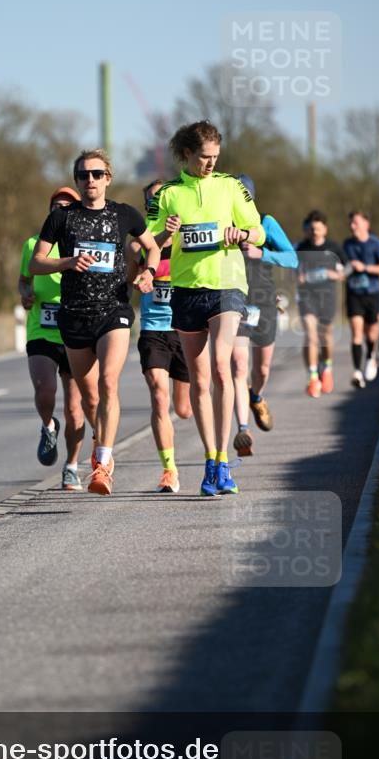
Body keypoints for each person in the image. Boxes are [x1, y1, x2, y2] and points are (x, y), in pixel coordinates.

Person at [30, 149, 160, 496]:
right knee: (90, 400)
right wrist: (68, 262)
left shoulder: (124, 214)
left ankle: (103, 462)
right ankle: (98, 443)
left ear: (108, 178)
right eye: (84, 175)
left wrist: (148, 272)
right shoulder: (62, 218)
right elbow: (36, 263)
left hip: (113, 311)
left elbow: (153, 248)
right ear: (77, 180)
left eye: (97, 174)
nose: (91, 180)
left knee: (108, 382)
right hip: (74, 316)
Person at [147, 120, 265, 497]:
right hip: (185, 290)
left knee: (220, 366)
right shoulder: (167, 194)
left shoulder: (231, 187)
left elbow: (258, 229)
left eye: (215, 156)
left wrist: (241, 234)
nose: (211, 163)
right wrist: (166, 232)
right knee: (198, 381)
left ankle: (227, 465)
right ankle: (212, 459)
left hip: (226, 286)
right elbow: (148, 242)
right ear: (186, 154)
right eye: (204, 157)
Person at [18, 186, 86, 490]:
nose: (61, 211)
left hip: (74, 330)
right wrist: (26, 294)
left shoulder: (85, 244)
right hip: (41, 330)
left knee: (75, 408)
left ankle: (71, 466)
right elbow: (24, 278)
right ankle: (48, 426)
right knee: (45, 390)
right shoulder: (34, 244)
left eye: (67, 207)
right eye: (56, 206)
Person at [131, 179, 192, 493]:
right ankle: (169, 469)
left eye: (162, 199)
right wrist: (163, 234)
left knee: (184, 409)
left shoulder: (187, 237)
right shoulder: (140, 240)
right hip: (154, 331)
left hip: (185, 331)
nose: (157, 204)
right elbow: (134, 252)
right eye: (152, 202)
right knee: (159, 395)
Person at [231, 174, 298, 457]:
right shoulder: (224, 226)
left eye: (244, 195)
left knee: (261, 370)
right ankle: (243, 430)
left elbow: (292, 258)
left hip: (264, 302)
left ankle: (255, 397)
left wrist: (263, 254)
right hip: (233, 302)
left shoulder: (266, 223)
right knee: (237, 367)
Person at [294, 210, 346, 397]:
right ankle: (313, 376)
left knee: (326, 336)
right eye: (312, 228)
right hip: (307, 297)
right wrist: (297, 274)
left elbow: (345, 270)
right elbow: (289, 265)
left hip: (327, 296)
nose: (315, 231)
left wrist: (337, 274)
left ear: (325, 229)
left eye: (318, 228)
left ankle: (327, 369)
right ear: (308, 229)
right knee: (311, 335)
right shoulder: (301, 247)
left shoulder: (334, 248)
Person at [343, 211, 379, 386]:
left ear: (366, 224)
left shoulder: (376, 244)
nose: (352, 226)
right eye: (350, 223)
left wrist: (364, 267)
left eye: (355, 223)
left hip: (373, 293)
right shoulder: (347, 244)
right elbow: (344, 267)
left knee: (371, 333)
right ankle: (357, 372)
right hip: (353, 294)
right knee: (356, 332)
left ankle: (370, 357)